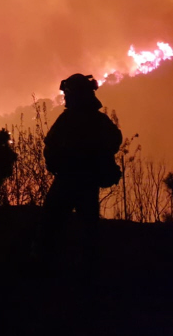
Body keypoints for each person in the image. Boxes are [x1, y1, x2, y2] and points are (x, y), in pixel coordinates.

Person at [35, 73, 123, 270]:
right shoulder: (98, 120)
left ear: (75, 94)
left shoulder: (68, 120)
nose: (65, 98)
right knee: (88, 228)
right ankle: (87, 269)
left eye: (67, 94)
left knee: (51, 224)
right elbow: (115, 140)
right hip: (87, 182)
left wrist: (61, 161)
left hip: (68, 180)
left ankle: (47, 266)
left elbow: (51, 145)